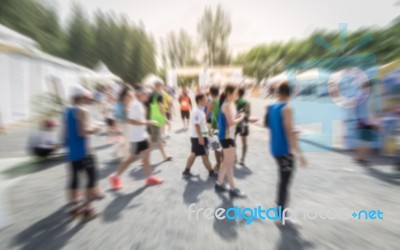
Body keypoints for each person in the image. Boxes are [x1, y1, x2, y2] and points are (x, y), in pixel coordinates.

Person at [264, 81, 307, 221]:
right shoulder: (287, 108)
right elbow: (289, 132)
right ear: (290, 93)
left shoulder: (272, 107)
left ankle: (280, 212)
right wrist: (300, 154)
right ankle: (282, 216)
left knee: (282, 181)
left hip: (275, 148)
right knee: (285, 182)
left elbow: (267, 125)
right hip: (285, 150)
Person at [109, 87, 164, 189]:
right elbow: (130, 120)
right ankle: (115, 176)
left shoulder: (138, 104)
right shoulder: (135, 105)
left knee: (146, 156)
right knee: (132, 158)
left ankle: (149, 177)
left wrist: (146, 125)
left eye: (148, 94)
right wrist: (146, 122)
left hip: (141, 136)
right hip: (136, 138)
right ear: (141, 94)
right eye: (146, 94)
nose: (148, 96)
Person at [64, 86, 100, 221]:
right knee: (91, 179)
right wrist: (95, 128)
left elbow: (66, 133)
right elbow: (83, 132)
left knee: (74, 179)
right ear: (81, 97)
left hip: (72, 151)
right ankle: (87, 210)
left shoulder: (67, 111)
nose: (87, 99)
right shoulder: (82, 110)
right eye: (85, 97)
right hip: (85, 151)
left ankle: (73, 209)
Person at [214, 85, 246, 198]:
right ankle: (232, 188)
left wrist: (245, 117)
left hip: (229, 136)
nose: (237, 94)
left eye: (237, 92)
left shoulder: (231, 104)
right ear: (228, 93)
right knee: (229, 162)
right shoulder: (227, 105)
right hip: (225, 136)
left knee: (227, 161)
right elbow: (232, 122)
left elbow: (233, 117)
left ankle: (219, 183)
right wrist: (241, 118)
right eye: (235, 92)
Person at [182, 94, 218, 178]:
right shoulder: (197, 111)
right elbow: (197, 125)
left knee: (194, 153)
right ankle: (211, 172)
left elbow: (202, 126)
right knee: (205, 155)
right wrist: (200, 137)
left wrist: (210, 133)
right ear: (200, 100)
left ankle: (186, 170)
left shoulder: (199, 110)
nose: (207, 101)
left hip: (199, 136)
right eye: (205, 99)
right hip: (199, 137)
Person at [147, 79, 173, 162]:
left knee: (155, 140)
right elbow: (161, 108)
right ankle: (146, 159)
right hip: (157, 120)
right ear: (159, 86)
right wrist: (165, 118)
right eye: (161, 86)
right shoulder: (159, 96)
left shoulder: (150, 95)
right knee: (154, 140)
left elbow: (148, 109)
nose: (162, 88)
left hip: (151, 118)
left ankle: (164, 156)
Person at [354, 81, 378, 165]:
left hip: (366, 122)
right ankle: (361, 158)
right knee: (365, 141)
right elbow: (361, 110)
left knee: (364, 141)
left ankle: (361, 158)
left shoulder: (363, 96)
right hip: (365, 122)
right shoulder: (363, 96)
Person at [205, 86, 223, 172]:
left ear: (210, 92)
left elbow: (206, 115)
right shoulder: (222, 100)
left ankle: (219, 165)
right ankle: (222, 163)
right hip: (222, 126)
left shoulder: (211, 102)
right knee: (221, 146)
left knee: (216, 147)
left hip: (213, 127)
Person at [235, 87, 251, 166]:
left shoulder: (234, 102)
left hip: (235, 124)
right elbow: (248, 114)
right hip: (244, 124)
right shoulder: (247, 103)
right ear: (244, 93)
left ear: (237, 93)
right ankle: (242, 159)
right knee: (244, 142)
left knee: (232, 141)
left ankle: (235, 157)